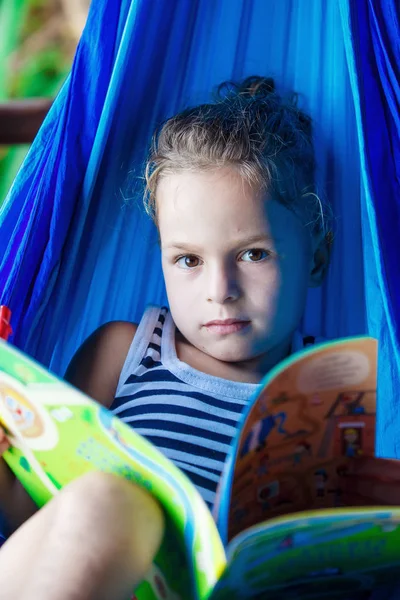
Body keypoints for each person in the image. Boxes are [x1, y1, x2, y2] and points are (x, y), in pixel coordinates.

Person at [0, 76, 333, 598]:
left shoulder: (336, 396)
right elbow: (38, 511)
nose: (220, 291)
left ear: (316, 256)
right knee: (107, 505)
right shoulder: (125, 352)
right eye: (188, 260)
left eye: (253, 254)